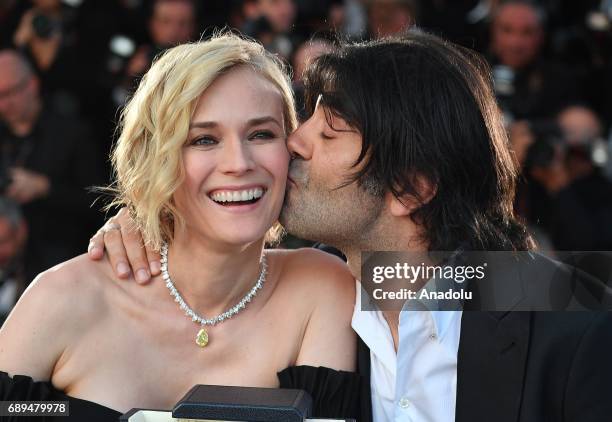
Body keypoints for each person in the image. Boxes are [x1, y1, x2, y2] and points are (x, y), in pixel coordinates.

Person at [94, 31, 612, 422]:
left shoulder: (576, 325)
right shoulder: (319, 308)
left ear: (410, 188)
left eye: (330, 132)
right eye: (305, 121)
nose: (292, 143)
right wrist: (156, 219)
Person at [0, 34, 361, 421]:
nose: (238, 163)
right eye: (203, 139)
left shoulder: (323, 289)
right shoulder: (64, 297)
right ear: (157, 162)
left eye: (261, 134)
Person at [0, 49, 104, 284]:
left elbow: (100, 203)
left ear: (32, 85)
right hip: (10, 263)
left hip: (61, 263)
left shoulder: (72, 133)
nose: (4, 105)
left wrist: (45, 188)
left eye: (10, 93)